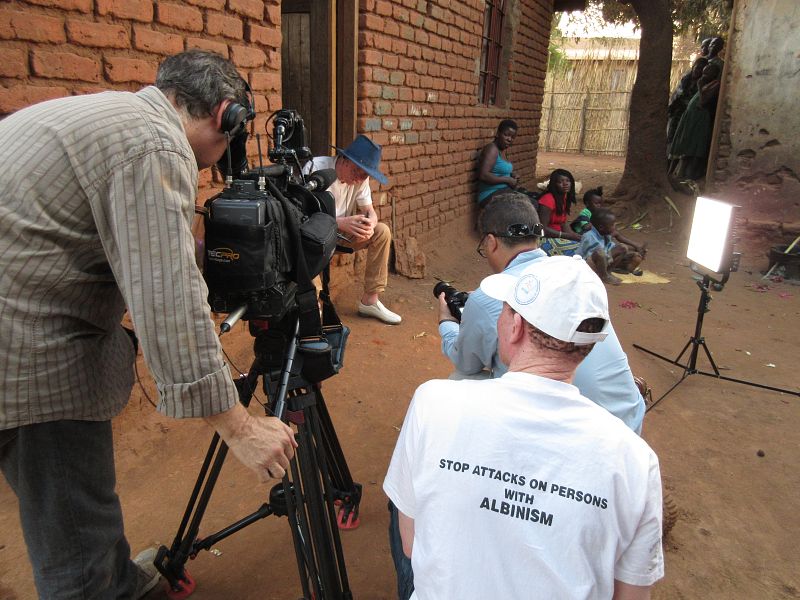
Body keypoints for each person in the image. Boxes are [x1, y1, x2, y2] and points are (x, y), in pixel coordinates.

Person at [0, 50, 298, 599]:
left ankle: (116, 580)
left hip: (18, 319)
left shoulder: (119, 117)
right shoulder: (156, 146)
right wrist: (241, 429)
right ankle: (97, 585)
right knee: (73, 530)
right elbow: (169, 304)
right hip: (26, 354)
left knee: (79, 505)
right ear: (226, 114)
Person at [385, 256, 664, 600]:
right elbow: (631, 595)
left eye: (504, 311)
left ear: (515, 326)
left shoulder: (433, 402)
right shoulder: (636, 460)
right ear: (589, 345)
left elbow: (412, 544)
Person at [440, 196, 645, 431]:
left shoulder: (488, 302)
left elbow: (467, 365)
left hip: (573, 434)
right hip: (627, 420)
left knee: (461, 380)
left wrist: (447, 322)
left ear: (491, 242)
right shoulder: (577, 275)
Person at [304, 135, 401, 324]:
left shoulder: (361, 179)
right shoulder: (315, 168)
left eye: (365, 175)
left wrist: (370, 223)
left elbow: (370, 211)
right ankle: (313, 310)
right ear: (344, 160)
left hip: (340, 235)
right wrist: (339, 222)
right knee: (306, 247)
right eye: (357, 171)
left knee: (382, 232)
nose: (359, 179)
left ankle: (370, 300)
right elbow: (301, 215)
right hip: (314, 236)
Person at [669, 37, 725, 182]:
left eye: (714, 44)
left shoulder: (715, 73)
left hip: (699, 115)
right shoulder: (702, 64)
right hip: (688, 113)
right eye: (708, 44)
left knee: (693, 147)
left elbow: (704, 100)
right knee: (679, 142)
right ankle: (674, 173)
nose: (709, 47)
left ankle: (687, 176)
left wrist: (700, 84)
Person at [579, 208, 645, 285]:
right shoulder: (589, 236)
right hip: (586, 265)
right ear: (601, 227)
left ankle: (608, 272)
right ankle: (604, 276)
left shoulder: (605, 235)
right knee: (600, 253)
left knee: (623, 248)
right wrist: (609, 256)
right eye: (612, 225)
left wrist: (633, 250)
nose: (614, 226)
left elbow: (612, 248)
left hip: (602, 261)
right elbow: (591, 256)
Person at [667, 57, 708, 162]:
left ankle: (672, 160)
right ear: (693, 67)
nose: (697, 71)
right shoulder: (686, 79)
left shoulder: (701, 84)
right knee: (670, 136)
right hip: (676, 112)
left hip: (686, 115)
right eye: (697, 68)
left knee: (679, 139)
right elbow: (676, 95)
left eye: (701, 69)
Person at [537, 168, 582, 255]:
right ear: (554, 184)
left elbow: (563, 223)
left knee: (585, 243)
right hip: (545, 240)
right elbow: (542, 229)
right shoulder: (548, 200)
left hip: (559, 237)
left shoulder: (563, 197)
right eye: (560, 182)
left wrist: (574, 235)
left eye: (568, 181)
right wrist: (566, 236)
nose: (565, 184)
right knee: (579, 250)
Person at [476, 119, 519, 206]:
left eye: (512, 137)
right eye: (506, 135)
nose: (509, 139)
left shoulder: (502, 151)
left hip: (503, 191)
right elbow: (483, 175)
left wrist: (512, 175)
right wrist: (508, 180)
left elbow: (498, 171)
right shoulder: (492, 149)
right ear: (498, 134)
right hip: (489, 194)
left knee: (533, 202)